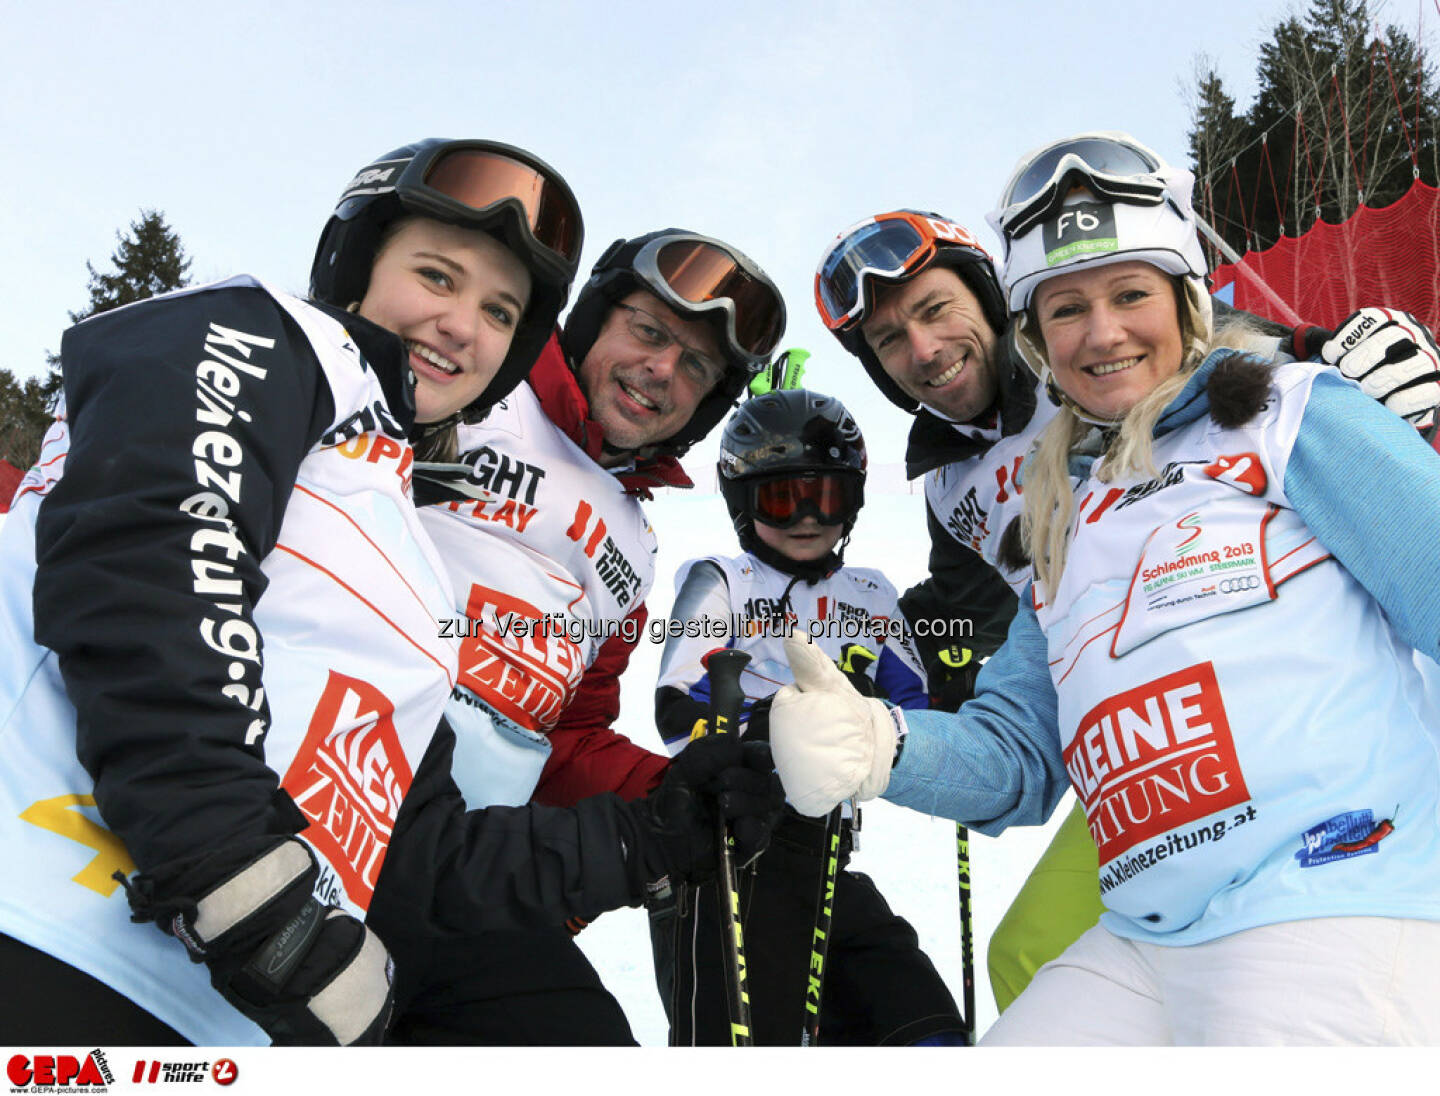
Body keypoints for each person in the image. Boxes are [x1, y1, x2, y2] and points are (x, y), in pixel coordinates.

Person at [0, 138, 781, 1046]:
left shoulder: (410, 574)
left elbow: (422, 833)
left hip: (255, 982)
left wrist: (659, 825)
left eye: (496, 309)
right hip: (68, 908)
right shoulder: (275, 337)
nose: (461, 325)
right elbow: (152, 550)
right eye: (436, 277)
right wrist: (243, 881)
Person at [772, 131, 1440, 1045]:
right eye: (890, 340)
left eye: (1129, 295)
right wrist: (880, 733)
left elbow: (1247, 360)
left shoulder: (1278, 409)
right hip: (1141, 862)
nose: (1102, 332)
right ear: (1039, 330)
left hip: (1329, 870)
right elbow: (1004, 684)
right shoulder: (1011, 502)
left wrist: (1354, 363)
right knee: (1026, 957)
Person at [407, 227, 789, 1041]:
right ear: (587, 323)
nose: (662, 372)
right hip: (340, 790)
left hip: (470, 859)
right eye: (649, 333)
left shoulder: (635, 543)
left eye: (695, 368)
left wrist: (679, 792)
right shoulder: (474, 388)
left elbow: (569, 734)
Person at [647, 385, 967, 1045]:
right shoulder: (721, 580)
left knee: (924, 1029)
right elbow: (678, 708)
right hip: (729, 864)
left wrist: (954, 696)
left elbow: (914, 715)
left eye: (827, 496)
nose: (805, 517)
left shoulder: (871, 593)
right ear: (742, 502)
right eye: (779, 497)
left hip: (827, 857)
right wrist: (776, 728)